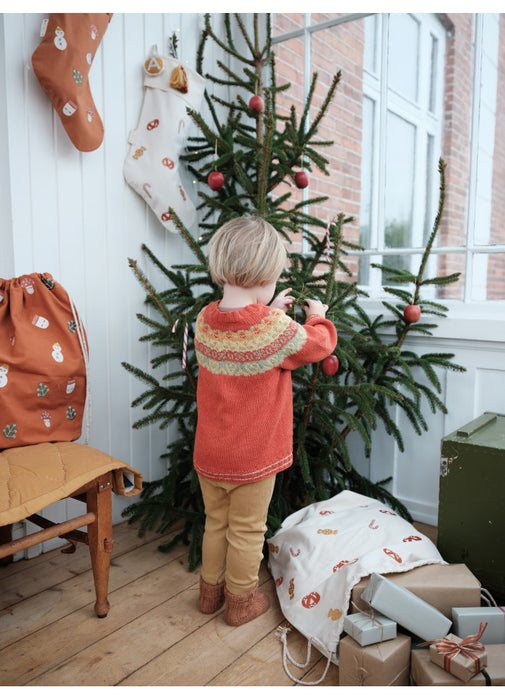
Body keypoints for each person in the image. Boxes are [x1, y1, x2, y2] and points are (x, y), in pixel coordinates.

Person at [193, 215, 338, 626]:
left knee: (216, 524)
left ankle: (209, 595)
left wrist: (268, 310)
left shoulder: (205, 321)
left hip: (210, 454)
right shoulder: (274, 328)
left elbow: (244, 330)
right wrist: (318, 315)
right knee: (247, 530)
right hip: (251, 460)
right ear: (263, 276)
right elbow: (317, 344)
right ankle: (240, 602)